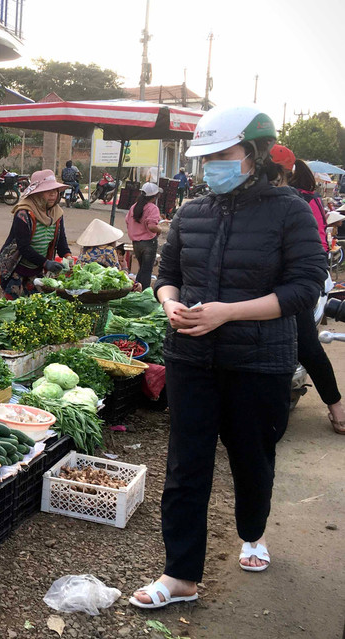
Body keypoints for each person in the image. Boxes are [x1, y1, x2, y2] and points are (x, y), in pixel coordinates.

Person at [131, 106, 327, 609]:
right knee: (186, 465)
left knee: (251, 458)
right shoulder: (194, 212)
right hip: (191, 357)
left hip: (258, 363)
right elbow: (165, 274)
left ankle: (253, 533)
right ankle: (180, 576)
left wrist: (228, 314)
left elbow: (305, 288)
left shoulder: (290, 211)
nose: (211, 165)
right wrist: (170, 303)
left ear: (254, 154)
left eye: (223, 154)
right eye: (207, 156)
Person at [272, 155, 345, 434]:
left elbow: (314, 245)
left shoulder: (303, 202)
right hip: (256, 286)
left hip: (294, 284)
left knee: (307, 345)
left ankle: (335, 406)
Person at [0, 169, 71, 299]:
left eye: (54, 191)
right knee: (13, 308)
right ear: (36, 194)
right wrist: (45, 263)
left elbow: (61, 240)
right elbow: (23, 247)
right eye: (48, 191)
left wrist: (68, 256)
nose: (53, 194)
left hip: (37, 269)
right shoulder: (23, 214)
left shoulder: (57, 214)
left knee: (36, 308)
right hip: (17, 268)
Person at [125, 182, 163, 290]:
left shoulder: (134, 207)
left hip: (136, 243)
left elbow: (127, 221)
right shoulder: (153, 208)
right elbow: (152, 226)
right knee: (146, 270)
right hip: (148, 243)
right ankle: (144, 291)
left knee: (142, 269)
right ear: (155, 196)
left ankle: (137, 288)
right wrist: (159, 229)